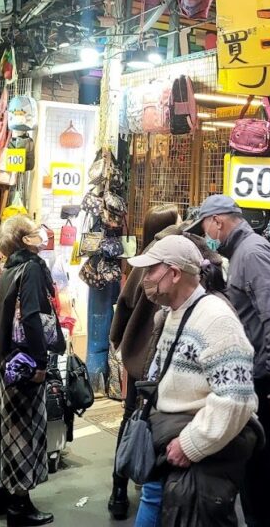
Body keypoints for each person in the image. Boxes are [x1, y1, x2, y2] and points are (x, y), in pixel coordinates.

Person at [127, 235, 260, 527]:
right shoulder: (174, 314)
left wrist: (191, 444)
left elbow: (236, 397)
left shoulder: (216, 320)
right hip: (168, 440)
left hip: (193, 449)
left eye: (152, 270)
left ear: (174, 273)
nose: (145, 279)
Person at [189, 194, 270, 527]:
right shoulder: (240, 253)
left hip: (266, 376)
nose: (206, 233)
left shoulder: (251, 252)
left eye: (206, 226)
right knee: (256, 462)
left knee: (263, 458)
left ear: (218, 221)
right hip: (259, 371)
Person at [0, 216, 60, 526]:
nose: (39, 235)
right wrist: (41, 363)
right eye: (33, 231)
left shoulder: (8, 269)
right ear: (25, 240)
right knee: (24, 432)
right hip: (25, 362)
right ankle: (19, 505)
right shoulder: (30, 269)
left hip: (5, 360)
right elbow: (31, 317)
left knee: (4, 428)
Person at [108, 204, 181, 519]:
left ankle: (118, 491)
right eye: (177, 219)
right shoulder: (163, 260)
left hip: (137, 357)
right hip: (154, 359)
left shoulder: (144, 260)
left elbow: (123, 306)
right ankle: (145, 487)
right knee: (150, 422)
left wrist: (118, 341)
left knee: (131, 421)